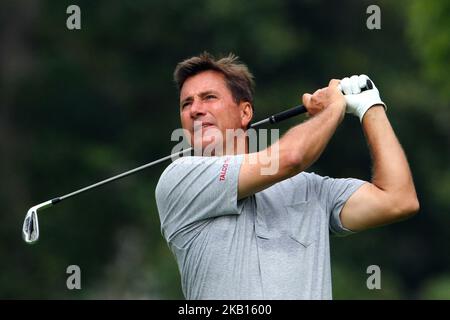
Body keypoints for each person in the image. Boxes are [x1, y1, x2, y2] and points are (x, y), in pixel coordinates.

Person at [155, 52, 419, 299]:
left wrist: (370, 107)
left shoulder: (309, 188)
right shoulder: (179, 179)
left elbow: (398, 200)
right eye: (186, 103)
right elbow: (291, 158)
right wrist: (333, 108)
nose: (195, 109)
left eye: (209, 97)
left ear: (245, 112)